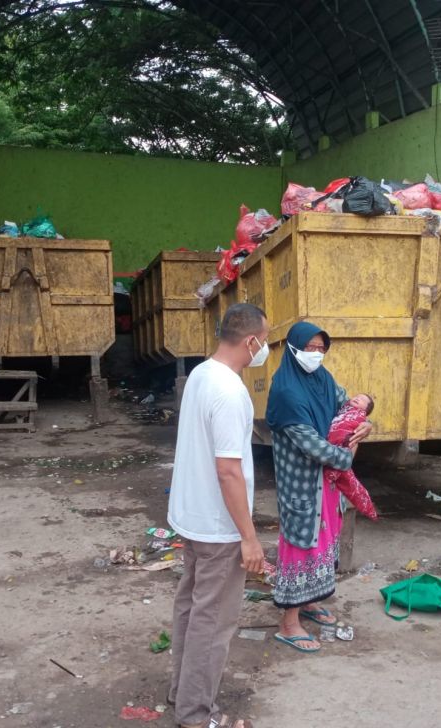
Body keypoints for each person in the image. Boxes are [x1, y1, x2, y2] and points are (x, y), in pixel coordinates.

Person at [167, 302, 269, 728]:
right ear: (250, 341)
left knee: (191, 608)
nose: (265, 349)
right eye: (264, 341)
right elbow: (228, 470)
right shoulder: (229, 391)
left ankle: (181, 693)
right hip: (218, 528)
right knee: (213, 621)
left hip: (192, 517)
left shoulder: (200, 375)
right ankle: (196, 714)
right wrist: (248, 537)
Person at [265, 322, 372, 653]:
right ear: (294, 347)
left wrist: (365, 423)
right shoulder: (286, 393)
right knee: (300, 546)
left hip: (326, 486)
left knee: (323, 542)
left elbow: (348, 407)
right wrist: (348, 453)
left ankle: (310, 603)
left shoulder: (323, 381)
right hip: (301, 486)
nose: (315, 354)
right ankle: (288, 623)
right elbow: (314, 448)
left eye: (321, 348)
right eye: (308, 347)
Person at [324, 394, 378, 521]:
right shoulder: (343, 408)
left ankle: (368, 509)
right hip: (326, 450)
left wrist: (367, 423)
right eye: (357, 396)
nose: (358, 398)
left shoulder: (354, 413)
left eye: (363, 400)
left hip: (337, 452)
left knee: (345, 483)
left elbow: (358, 423)